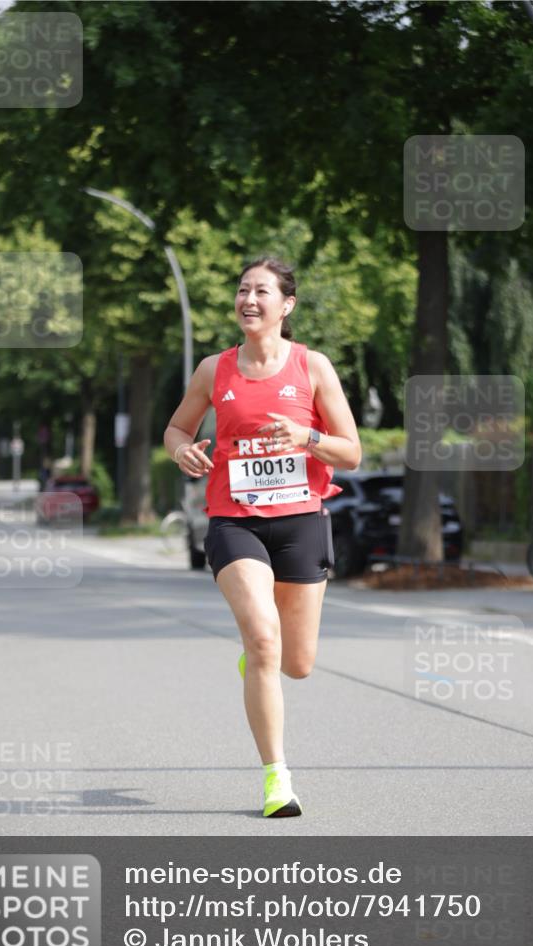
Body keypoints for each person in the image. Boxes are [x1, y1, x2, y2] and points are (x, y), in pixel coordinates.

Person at [163, 257, 361, 817]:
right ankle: (278, 780)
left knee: (296, 663)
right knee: (264, 641)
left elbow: (351, 450)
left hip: (301, 519)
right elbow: (177, 427)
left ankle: (259, 662)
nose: (249, 299)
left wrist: (306, 434)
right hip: (234, 520)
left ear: (286, 305)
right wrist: (182, 449)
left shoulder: (313, 367)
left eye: (262, 291)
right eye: (242, 290)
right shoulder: (214, 370)